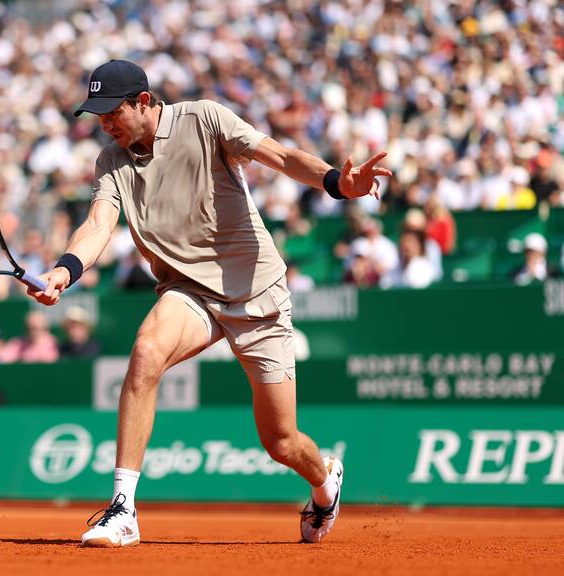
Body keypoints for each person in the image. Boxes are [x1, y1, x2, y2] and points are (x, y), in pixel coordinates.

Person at [27, 60, 390, 548]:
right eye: (98, 115)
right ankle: (123, 509)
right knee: (145, 353)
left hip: (257, 294)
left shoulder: (204, 118)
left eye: (113, 112)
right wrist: (64, 270)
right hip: (189, 291)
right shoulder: (110, 162)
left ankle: (324, 483)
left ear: (143, 102)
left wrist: (335, 183)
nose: (105, 123)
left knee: (281, 442)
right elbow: (97, 224)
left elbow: (279, 156)